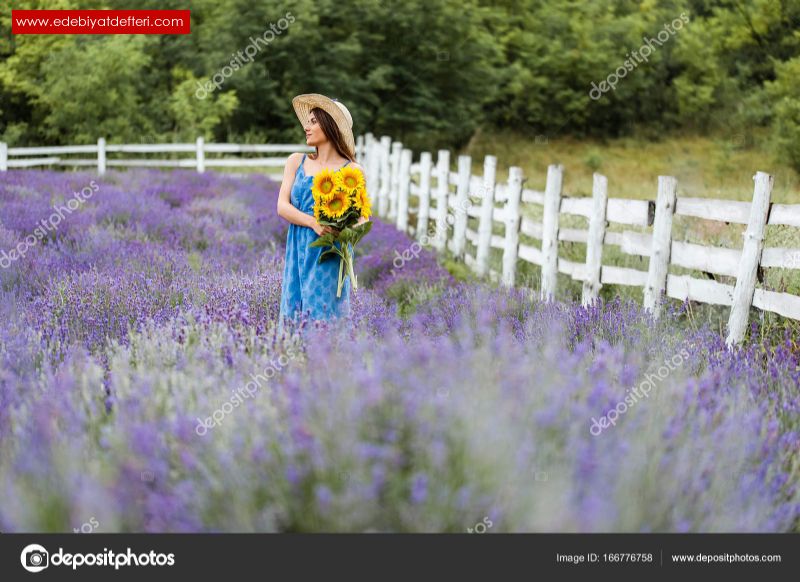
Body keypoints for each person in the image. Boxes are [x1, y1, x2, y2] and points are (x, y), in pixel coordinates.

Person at [277, 93, 368, 329]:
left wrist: (344, 231)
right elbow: (282, 206)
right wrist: (313, 222)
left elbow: (362, 217)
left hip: (330, 253)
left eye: (314, 122)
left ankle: (326, 363)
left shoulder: (352, 170)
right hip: (299, 248)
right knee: (293, 314)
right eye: (307, 121)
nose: (306, 127)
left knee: (323, 318)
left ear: (331, 126)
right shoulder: (296, 161)